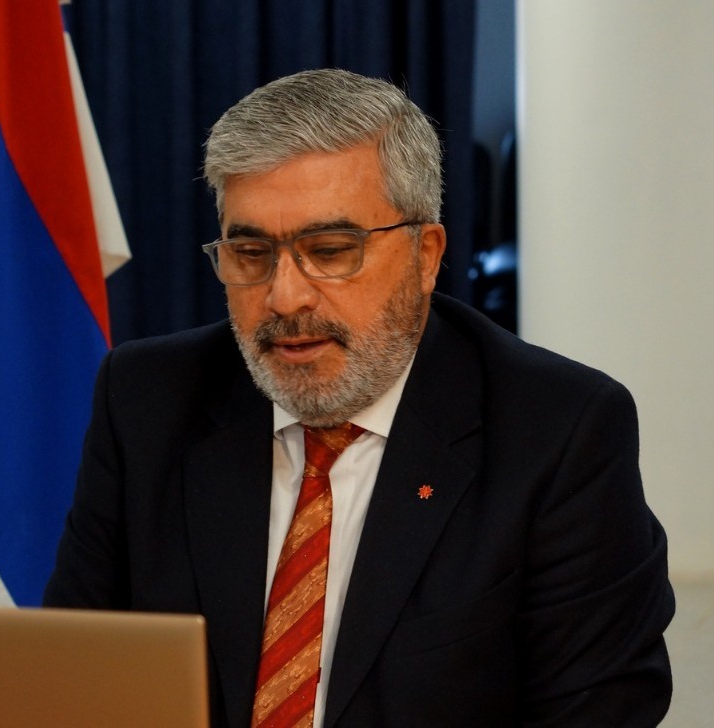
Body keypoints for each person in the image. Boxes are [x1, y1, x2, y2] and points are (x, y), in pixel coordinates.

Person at [43, 69, 674, 727]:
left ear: (425, 255)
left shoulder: (559, 430)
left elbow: (595, 711)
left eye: (329, 251)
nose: (285, 297)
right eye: (251, 253)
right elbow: (70, 677)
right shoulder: (146, 400)